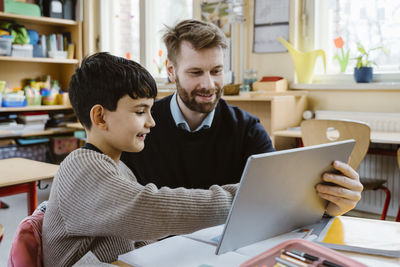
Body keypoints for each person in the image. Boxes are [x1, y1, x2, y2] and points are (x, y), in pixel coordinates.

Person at [121, 19, 363, 217]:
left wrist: (330, 207)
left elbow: (277, 199)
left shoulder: (246, 128)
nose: (209, 84)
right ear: (171, 71)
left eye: (216, 71)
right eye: (195, 72)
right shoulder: (141, 126)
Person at [42, 53, 240, 266]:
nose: (151, 122)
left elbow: (139, 240)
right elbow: (152, 209)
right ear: (100, 117)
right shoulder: (83, 169)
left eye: (150, 110)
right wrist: (239, 199)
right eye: (140, 112)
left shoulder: (119, 167)